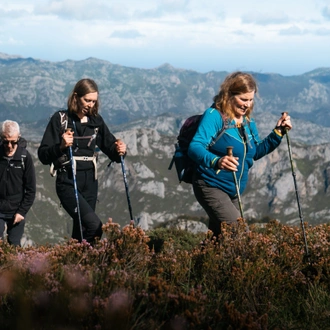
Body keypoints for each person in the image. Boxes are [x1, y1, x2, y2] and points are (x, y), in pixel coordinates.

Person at [187, 71, 292, 239]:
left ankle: (200, 264)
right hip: (210, 185)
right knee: (241, 236)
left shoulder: (247, 121)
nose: (247, 105)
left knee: (218, 240)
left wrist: (278, 133)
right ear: (229, 95)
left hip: (233, 190)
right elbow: (195, 147)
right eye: (243, 99)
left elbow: (255, 151)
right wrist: (217, 161)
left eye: (251, 100)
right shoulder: (214, 116)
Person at [38, 78, 127, 244]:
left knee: (83, 231)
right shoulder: (60, 119)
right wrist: (61, 146)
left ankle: (75, 267)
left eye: (94, 101)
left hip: (90, 182)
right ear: (76, 97)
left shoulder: (96, 121)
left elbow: (111, 148)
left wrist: (120, 150)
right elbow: (43, 155)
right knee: (94, 226)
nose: (90, 105)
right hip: (68, 181)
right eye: (87, 100)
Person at [0, 120, 36, 246]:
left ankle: (12, 266)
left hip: (17, 209)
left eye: (13, 142)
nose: (9, 146)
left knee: (14, 245)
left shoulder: (24, 157)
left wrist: (21, 212)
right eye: (5, 141)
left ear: (18, 138)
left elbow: (31, 189)